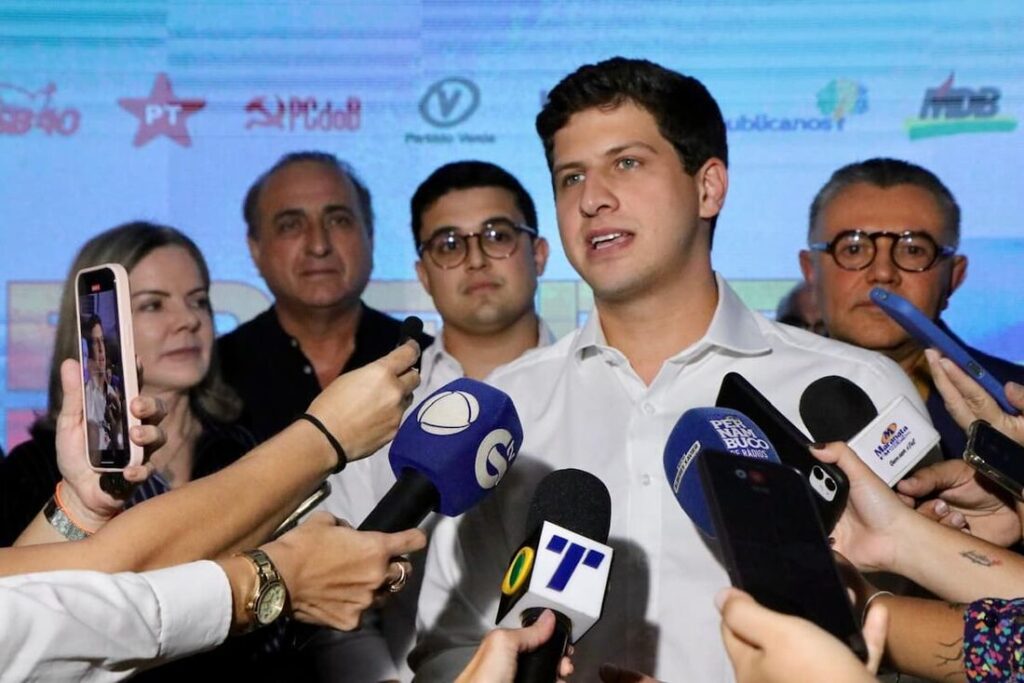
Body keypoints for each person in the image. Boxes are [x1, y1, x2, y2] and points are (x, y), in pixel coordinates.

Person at [410, 57, 924, 681]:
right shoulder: (506, 409)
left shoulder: (855, 391)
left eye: (626, 163)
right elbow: (446, 648)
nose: (593, 199)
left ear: (708, 187)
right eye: (571, 177)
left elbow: (926, 639)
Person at [317, 160, 555, 681]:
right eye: (449, 244)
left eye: (497, 235)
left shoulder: (594, 385)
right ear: (423, 275)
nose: (475, 259)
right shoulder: (379, 404)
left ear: (538, 254)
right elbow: (336, 592)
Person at [1, 223, 254, 547]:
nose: (189, 320)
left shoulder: (243, 443)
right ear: (95, 328)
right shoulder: (35, 470)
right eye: (153, 304)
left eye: (198, 301)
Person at [798, 158, 1024, 461]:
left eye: (913, 250)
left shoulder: (1016, 403)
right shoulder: (754, 402)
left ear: (954, 277)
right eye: (853, 248)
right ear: (810, 271)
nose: (882, 273)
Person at [219, 151, 432, 444]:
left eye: (338, 221)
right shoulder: (215, 375)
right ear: (255, 249)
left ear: (370, 236)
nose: (318, 245)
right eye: (290, 225)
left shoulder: (428, 362)